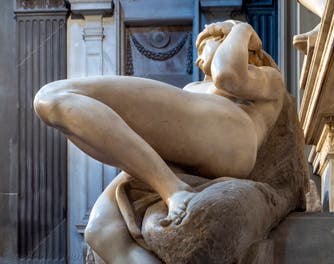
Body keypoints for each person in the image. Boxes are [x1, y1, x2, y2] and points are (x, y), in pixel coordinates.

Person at [34, 21, 286, 263]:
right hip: (190, 152)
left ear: (226, 41)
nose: (198, 60)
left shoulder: (266, 78)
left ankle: (172, 188)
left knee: (52, 97)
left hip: (233, 135)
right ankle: (170, 186)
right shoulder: (194, 88)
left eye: (203, 48)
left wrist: (241, 28)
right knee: (101, 231)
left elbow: (228, 75)